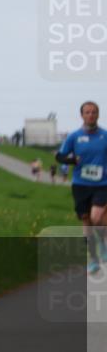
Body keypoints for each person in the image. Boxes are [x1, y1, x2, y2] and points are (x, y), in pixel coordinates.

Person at [55, 101, 107, 274]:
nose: (91, 115)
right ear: (82, 115)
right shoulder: (74, 136)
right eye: (87, 112)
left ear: (98, 115)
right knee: (86, 220)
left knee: (97, 218)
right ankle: (93, 258)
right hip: (80, 184)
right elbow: (59, 156)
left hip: (102, 184)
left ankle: (102, 240)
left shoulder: (105, 136)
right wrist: (72, 160)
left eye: (94, 112)